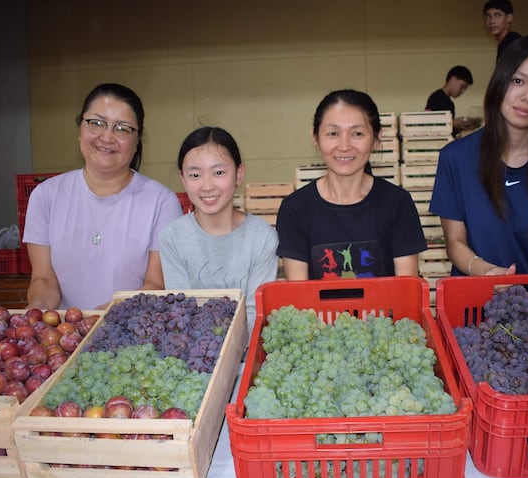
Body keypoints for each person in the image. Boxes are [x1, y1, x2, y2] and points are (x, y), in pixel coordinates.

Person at [429, 34, 528, 277]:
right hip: (470, 301)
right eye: (518, 81)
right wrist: (488, 272)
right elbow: (455, 244)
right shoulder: (456, 158)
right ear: (501, 82)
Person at [23, 83, 183, 310]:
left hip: (131, 336)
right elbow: (44, 279)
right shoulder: (45, 196)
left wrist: (102, 319)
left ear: (137, 141)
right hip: (65, 339)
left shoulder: (161, 201)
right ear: (80, 129)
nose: (107, 137)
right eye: (96, 123)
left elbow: (155, 285)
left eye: (122, 128)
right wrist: (36, 313)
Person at [276, 89, 426, 280]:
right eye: (333, 133)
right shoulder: (295, 209)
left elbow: (406, 289)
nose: (344, 145)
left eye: (357, 133)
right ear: (315, 138)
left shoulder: (397, 203)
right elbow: (299, 296)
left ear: (376, 139)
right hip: (316, 311)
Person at [158, 127, 278, 336]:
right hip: (196, 357)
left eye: (219, 173)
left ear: (239, 174)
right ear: (183, 179)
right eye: (195, 174)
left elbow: (255, 313)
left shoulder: (262, 236)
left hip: (245, 354)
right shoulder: (172, 237)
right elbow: (181, 311)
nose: (207, 186)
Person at [425, 65, 480, 136]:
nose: (462, 91)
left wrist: (463, 127)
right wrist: (453, 123)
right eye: (462, 86)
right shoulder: (436, 97)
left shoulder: (450, 104)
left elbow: (448, 130)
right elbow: (427, 123)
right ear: (452, 80)